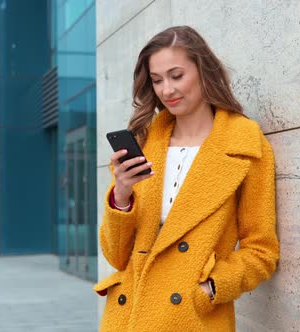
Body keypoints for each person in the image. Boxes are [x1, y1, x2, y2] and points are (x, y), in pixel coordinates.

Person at [94, 25, 279, 331]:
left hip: (192, 318)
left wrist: (212, 288)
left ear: (203, 71)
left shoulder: (244, 145)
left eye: (176, 75)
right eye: (157, 80)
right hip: (129, 316)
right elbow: (116, 256)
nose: (167, 90)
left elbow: (262, 251)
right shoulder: (144, 141)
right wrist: (122, 195)